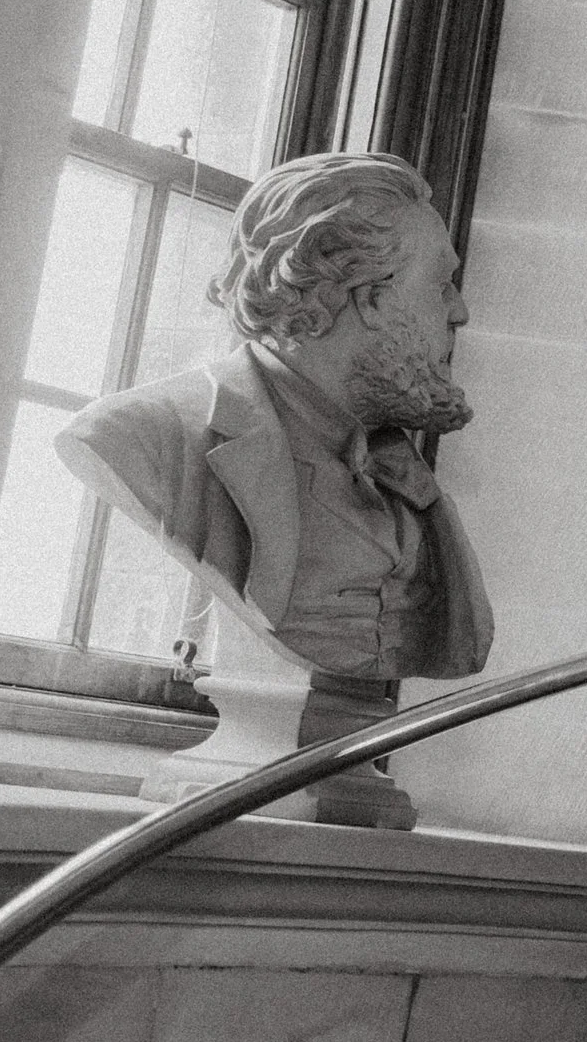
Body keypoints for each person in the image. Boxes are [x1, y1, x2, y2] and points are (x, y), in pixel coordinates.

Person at [55, 150, 494, 726]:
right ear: (371, 298)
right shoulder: (141, 437)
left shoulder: (401, 472)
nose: (458, 313)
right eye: (441, 285)